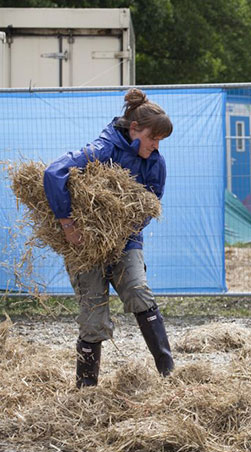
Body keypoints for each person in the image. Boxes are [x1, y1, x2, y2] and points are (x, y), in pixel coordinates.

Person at [43, 88, 174, 388]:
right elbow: (54, 173)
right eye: (153, 138)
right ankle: (86, 391)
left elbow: (150, 205)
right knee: (93, 317)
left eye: (160, 141)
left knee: (139, 292)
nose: (155, 146)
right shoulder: (102, 150)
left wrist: (124, 229)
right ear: (134, 129)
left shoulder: (155, 163)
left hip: (125, 242)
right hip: (85, 246)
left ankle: (170, 374)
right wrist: (68, 224)